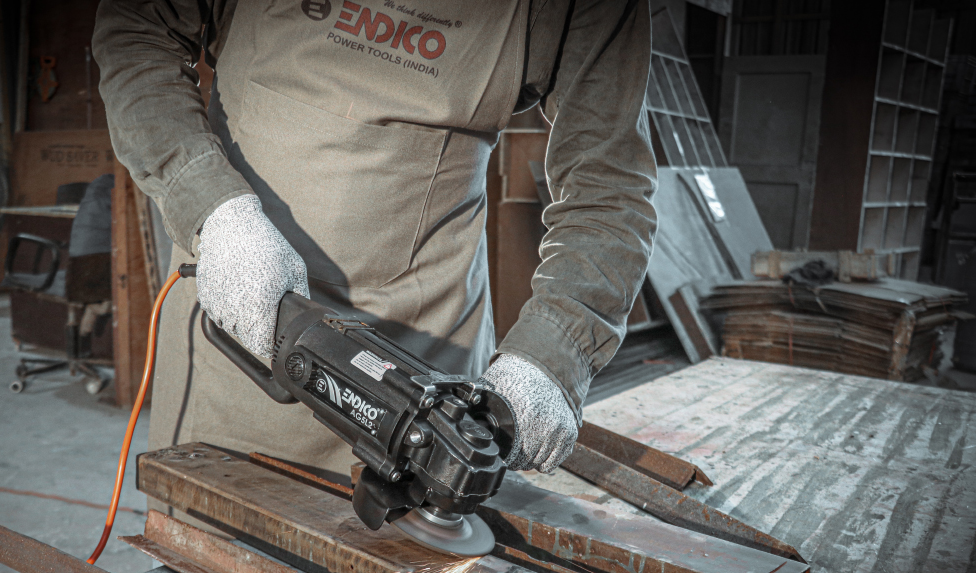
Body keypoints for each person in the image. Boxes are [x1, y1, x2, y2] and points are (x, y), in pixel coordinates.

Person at [92, 0, 657, 486]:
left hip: (426, 359)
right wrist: (214, 209)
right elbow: (137, 33)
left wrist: (554, 354)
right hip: (241, 319)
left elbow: (608, 184)